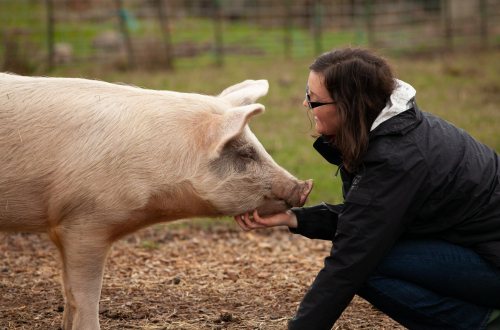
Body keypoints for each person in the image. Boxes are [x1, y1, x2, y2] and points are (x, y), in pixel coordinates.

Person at [234, 47, 500, 330]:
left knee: (367, 266)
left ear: (348, 106)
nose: (304, 104)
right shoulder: (392, 129)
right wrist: (295, 218)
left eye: (314, 100)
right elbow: (372, 215)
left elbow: (353, 255)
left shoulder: (397, 158)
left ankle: (482, 323)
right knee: (370, 254)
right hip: (476, 245)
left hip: (491, 259)